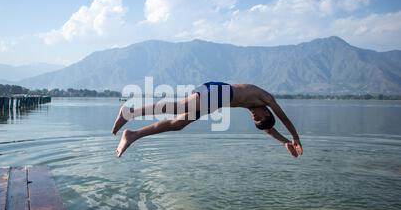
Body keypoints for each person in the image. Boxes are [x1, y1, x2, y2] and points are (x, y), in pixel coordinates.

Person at [112, 82, 303, 158]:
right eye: (259, 118)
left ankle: (133, 134)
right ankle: (129, 111)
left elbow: (268, 129)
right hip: (219, 92)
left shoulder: (257, 109)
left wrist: (285, 143)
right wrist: (295, 138)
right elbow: (284, 118)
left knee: (177, 124)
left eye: (255, 121)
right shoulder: (267, 98)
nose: (254, 117)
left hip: (216, 100)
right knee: (180, 106)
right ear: (268, 113)